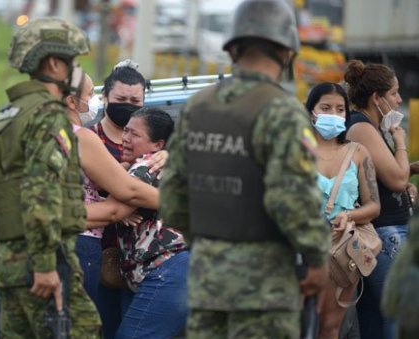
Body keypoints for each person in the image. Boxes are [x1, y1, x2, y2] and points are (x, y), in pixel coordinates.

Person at [159, 0, 331, 337]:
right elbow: (291, 200)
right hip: (264, 289)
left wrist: (209, 245)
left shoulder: (198, 106)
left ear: (233, 48)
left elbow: (173, 197)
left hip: (206, 280)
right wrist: (316, 259)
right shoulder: (281, 111)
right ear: (287, 51)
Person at [0, 17, 101, 338]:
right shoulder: (48, 115)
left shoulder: (9, 115)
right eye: (72, 62)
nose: (74, 70)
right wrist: (45, 264)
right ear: (56, 63)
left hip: (8, 259)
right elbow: (40, 191)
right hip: (42, 262)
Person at [87, 108, 189, 338]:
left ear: (158, 144)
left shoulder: (147, 167)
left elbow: (113, 209)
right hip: (156, 274)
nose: (125, 138)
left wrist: (51, 216)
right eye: (125, 131)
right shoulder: (160, 165)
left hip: (166, 270)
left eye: (134, 134)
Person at [63, 73, 159, 314]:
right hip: (80, 242)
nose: (93, 100)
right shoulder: (81, 137)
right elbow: (127, 190)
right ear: (71, 101)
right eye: (89, 95)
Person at [305, 82, 380, 338]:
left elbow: (374, 206)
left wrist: (348, 215)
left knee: (330, 327)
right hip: (302, 249)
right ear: (311, 112)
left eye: (339, 109)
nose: (333, 114)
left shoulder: (358, 152)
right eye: (325, 107)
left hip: (342, 251)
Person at [343, 60, 411, 339]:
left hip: (380, 235)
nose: (399, 100)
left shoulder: (367, 127)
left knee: (374, 318)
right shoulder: (362, 127)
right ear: (376, 98)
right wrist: (400, 141)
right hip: (386, 235)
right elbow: (397, 179)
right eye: (394, 93)